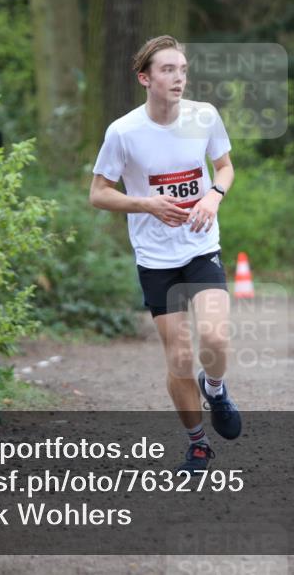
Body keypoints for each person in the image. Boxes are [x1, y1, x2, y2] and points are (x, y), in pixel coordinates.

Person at [89, 35, 241, 472]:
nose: (179, 78)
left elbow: (225, 167)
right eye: (168, 70)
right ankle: (198, 443)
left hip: (200, 245)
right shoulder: (123, 132)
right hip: (155, 258)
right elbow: (99, 193)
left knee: (215, 337)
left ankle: (216, 389)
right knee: (179, 358)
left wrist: (213, 196)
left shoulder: (204, 116)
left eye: (183, 70)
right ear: (145, 78)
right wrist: (147, 204)